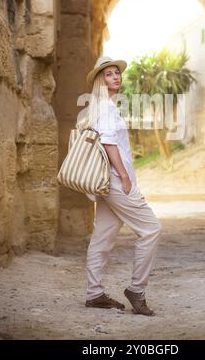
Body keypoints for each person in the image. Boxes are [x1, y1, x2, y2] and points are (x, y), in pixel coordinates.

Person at [80, 55, 163, 316]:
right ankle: (136, 290)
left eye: (117, 73)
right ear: (99, 80)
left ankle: (94, 294)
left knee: (102, 236)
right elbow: (108, 143)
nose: (116, 76)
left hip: (108, 182)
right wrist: (125, 177)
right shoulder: (104, 106)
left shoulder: (104, 106)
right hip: (115, 181)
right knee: (151, 229)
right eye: (109, 74)